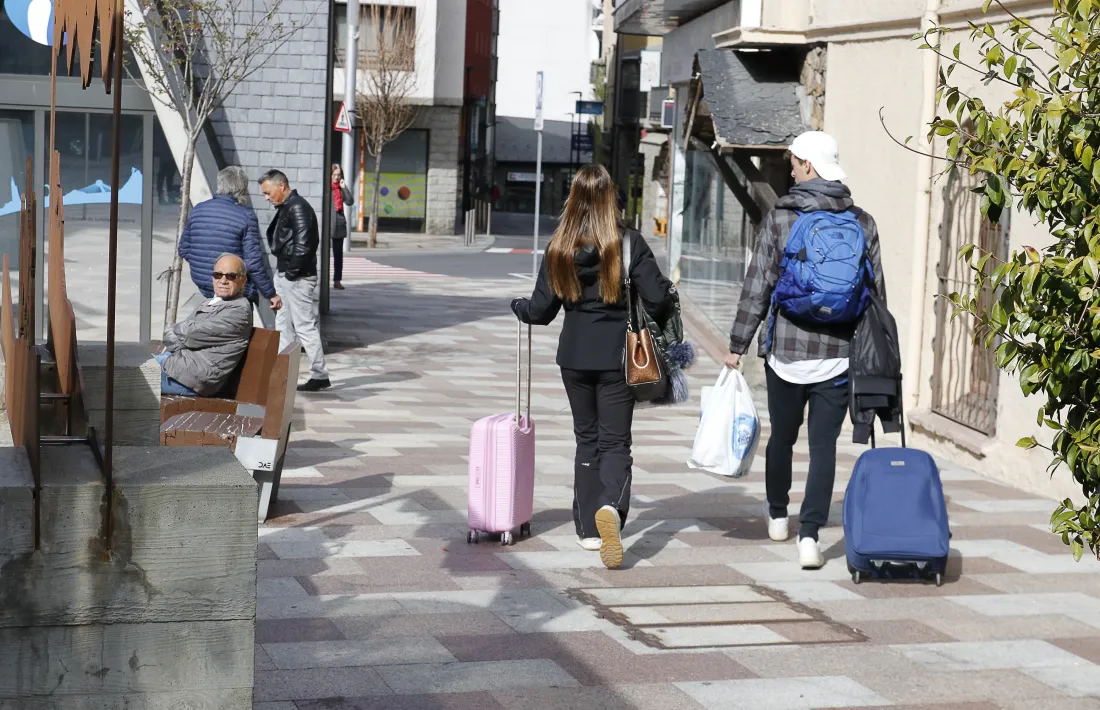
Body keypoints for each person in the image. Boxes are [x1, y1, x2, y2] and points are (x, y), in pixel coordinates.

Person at [725, 131, 886, 570]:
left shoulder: (780, 218)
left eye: (794, 163)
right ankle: (811, 537)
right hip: (838, 354)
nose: (791, 171)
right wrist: (879, 356)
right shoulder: (863, 221)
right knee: (824, 447)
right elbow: (875, 297)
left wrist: (737, 344)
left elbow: (757, 285)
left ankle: (778, 513)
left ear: (809, 166)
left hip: (787, 354)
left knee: (783, 437)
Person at [511, 164, 674, 570]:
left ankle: (587, 530)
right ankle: (611, 510)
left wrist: (517, 307)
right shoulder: (628, 243)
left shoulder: (559, 247)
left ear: (573, 199)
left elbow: (539, 311)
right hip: (619, 358)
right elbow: (657, 298)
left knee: (586, 440)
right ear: (609, 199)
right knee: (615, 442)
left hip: (574, 358)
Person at [179, 166, 282, 320]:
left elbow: (184, 249)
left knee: (212, 329)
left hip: (205, 284)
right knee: (236, 333)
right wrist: (271, 294)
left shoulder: (199, 210)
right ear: (241, 189)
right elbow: (253, 264)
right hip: (234, 289)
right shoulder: (246, 216)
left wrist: (204, 267)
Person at [259, 169, 330, 392]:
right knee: (283, 323)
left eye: (268, 192)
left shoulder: (298, 207)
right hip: (288, 274)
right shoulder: (288, 206)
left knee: (304, 326)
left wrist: (290, 275)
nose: (266, 197)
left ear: (281, 186)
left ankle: (319, 375)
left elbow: (305, 245)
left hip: (297, 277)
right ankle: (284, 372)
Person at [157, 254, 254, 397]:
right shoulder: (210, 302)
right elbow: (176, 333)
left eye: (231, 276)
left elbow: (189, 335)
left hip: (190, 378)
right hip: (177, 365)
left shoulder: (238, 311)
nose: (223, 281)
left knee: (123, 376)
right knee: (120, 368)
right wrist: (181, 335)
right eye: (218, 275)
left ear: (243, 280)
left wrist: (179, 334)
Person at [330, 163, 354, 290]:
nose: (336, 177)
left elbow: (350, 201)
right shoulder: (327, 188)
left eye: (339, 175)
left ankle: (337, 280)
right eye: (334, 175)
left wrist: (344, 187)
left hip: (338, 224)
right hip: (327, 225)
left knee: (338, 255)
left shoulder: (340, 188)